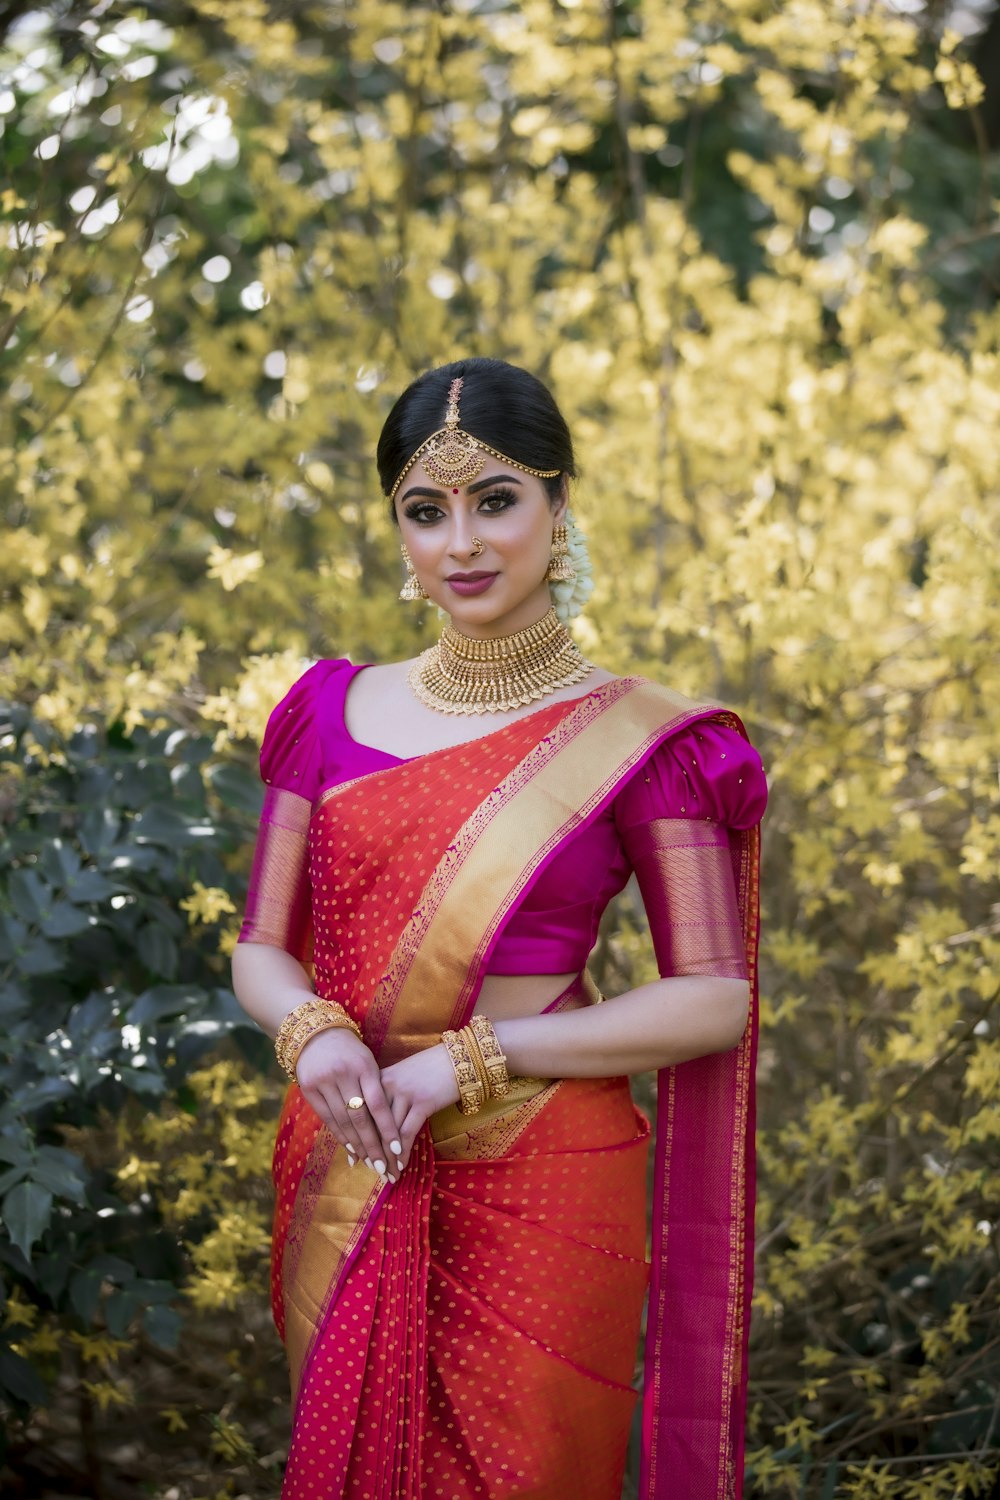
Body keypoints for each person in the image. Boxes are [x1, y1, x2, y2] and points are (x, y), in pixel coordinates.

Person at [230, 357, 766, 1500]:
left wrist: (475, 1058)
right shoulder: (324, 714)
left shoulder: (643, 740)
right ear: (399, 533)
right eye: (426, 512)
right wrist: (315, 1036)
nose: (462, 542)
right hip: (352, 1147)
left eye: (496, 500)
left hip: (542, 1165)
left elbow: (715, 994)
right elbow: (261, 947)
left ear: (557, 507)